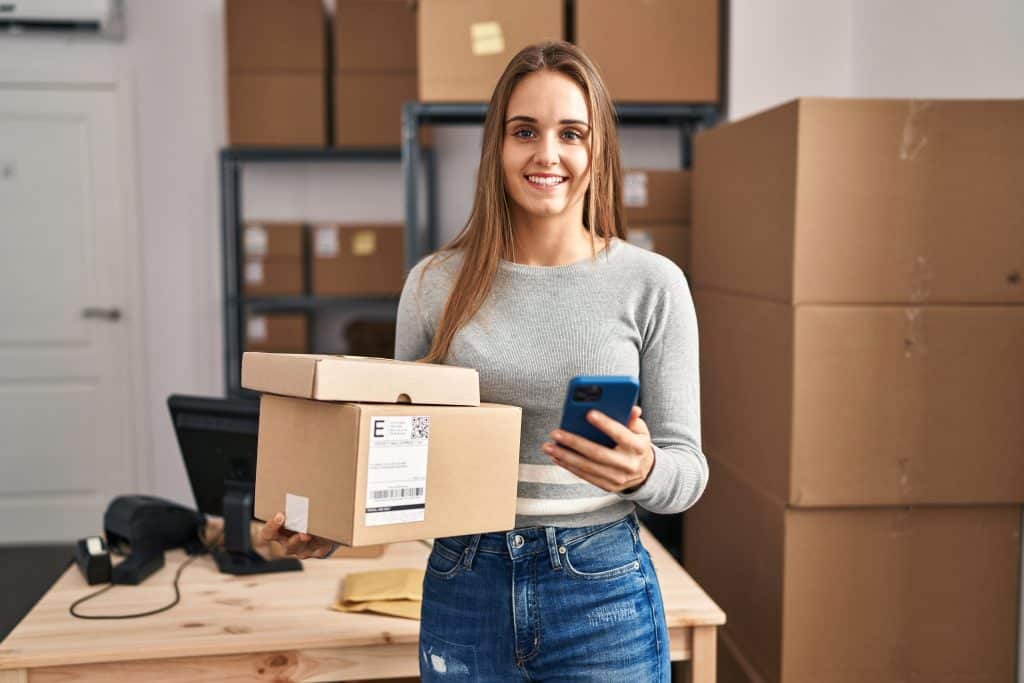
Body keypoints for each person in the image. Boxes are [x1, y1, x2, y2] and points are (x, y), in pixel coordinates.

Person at [260, 41, 708, 681]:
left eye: (571, 133)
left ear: (598, 148)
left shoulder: (652, 285)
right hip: (464, 583)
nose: (546, 155)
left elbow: (687, 474)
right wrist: (335, 523)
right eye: (524, 131)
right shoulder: (434, 284)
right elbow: (399, 457)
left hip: (599, 583)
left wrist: (642, 471)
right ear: (496, 147)